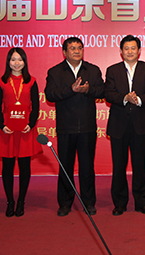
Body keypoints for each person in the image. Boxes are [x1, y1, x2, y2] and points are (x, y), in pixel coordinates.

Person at [45, 37, 104, 217]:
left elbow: (103, 91)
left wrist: (88, 90)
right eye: (72, 48)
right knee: (65, 167)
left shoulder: (92, 70)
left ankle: (88, 202)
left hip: (87, 127)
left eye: (79, 48)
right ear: (64, 52)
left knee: (87, 167)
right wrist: (70, 90)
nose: (77, 51)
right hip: (66, 128)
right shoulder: (55, 72)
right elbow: (50, 94)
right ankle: (65, 203)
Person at [105, 35, 145, 216]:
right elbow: (108, 94)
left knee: (139, 165)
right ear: (121, 51)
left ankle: (141, 202)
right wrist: (124, 98)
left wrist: (139, 100)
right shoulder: (113, 70)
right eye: (126, 48)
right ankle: (119, 203)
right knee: (118, 166)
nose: (130, 51)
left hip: (140, 123)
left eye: (133, 48)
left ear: (139, 50)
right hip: (118, 124)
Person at [0, 48, 41, 217]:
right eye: (13, 59)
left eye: (20, 59)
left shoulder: (31, 81)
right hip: (7, 129)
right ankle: (10, 201)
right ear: (8, 62)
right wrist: (1, 125)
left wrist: (31, 124)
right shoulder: (1, 82)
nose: (16, 63)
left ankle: (21, 201)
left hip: (25, 129)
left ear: (25, 62)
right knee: (7, 166)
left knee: (25, 166)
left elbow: (36, 105)